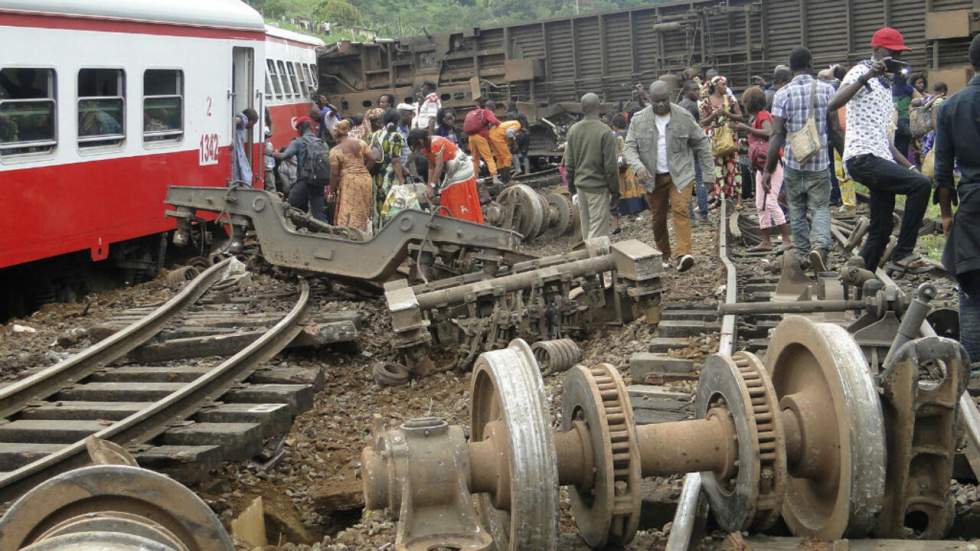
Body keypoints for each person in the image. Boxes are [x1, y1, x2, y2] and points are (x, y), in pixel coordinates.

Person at [829, 27, 932, 273]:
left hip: (879, 156)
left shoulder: (887, 88)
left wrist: (911, 166)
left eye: (899, 54)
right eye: (891, 53)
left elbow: (885, 141)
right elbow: (833, 104)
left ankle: (863, 275)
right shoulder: (860, 71)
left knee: (882, 227)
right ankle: (904, 253)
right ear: (877, 51)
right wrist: (867, 76)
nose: (896, 59)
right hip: (863, 157)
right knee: (921, 186)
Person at [624, 81, 714, 272]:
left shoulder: (683, 116)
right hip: (652, 177)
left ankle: (684, 254)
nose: (661, 105)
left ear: (670, 97)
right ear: (650, 99)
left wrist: (709, 174)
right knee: (658, 217)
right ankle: (664, 254)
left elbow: (701, 144)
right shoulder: (639, 120)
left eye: (664, 100)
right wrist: (638, 166)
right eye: (656, 101)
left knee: (681, 209)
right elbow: (629, 147)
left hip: (680, 174)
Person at [763, 47, 837, 271]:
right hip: (820, 161)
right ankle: (820, 247)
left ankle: (804, 254)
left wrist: (768, 169)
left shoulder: (782, 94)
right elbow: (835, 130)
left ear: (790, 67)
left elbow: (776, 135)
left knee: (796, 207)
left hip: (794, 163)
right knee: (820, 207)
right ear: (811, 63)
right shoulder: (827, 90)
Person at [934, 33, 980, 365]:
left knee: (972, 287)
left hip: (973, 205)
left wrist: (947, 214)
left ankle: (974, 369)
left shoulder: (951, 107)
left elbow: (942, 169)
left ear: (970, 65)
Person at [732, 86, 792, 251]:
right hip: (761, 165)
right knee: (760, 203)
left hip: (772, 163)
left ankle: (787, 239)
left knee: (771, 202)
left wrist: (746, 129)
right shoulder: (756, 117)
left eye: (745, 102)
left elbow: (769, 133)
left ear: (750, 103)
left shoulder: (763, 115)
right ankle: (765, 241)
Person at [564, 93, 620, 242]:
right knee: (598, 235)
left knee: (587, 229)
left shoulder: (573, 130)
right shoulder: (605, 131)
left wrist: (571, 189)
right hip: (598, 189)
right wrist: (615, 191)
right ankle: (594, 263)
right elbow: (611, 167)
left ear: (582, 108)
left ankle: (589, 259)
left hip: (581, 187)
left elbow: (569, 165)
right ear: (599, 107)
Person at [407, 129, 484, 224]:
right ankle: (452, 222)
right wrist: (429, 186)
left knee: (453, 195)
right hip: (453, 170)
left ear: (420, 141)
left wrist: (433, 186)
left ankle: (464, 222)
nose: (416, 150)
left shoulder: (435, 144)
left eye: (416, 146)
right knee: (445, 194)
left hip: (462, 169)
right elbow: (431, 167)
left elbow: (439, 167)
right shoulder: (426, 147)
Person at [273, 117, 328, 222]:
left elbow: (284, 156)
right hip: (319, 181)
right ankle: (327, 233)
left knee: (287, 206)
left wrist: (271, 153)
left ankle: (277, 230)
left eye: (298, 128)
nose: (297, 131)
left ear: (301, 128)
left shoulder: (298, 142)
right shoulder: (322, 142)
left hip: (305, 180)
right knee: (318, 212)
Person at [699, 75, 744, 203]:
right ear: (715, 86)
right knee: (718, 167)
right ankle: (722, 199)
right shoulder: (706, 102)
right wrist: (714, 115)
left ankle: (737, 199)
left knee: (734, 166)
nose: (726, 87)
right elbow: (702, 122)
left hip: (730, 137)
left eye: (726, 84)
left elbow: (740, 117)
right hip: (716, 139)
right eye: (723, 84)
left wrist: (725, 114)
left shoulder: (730, 99)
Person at [329, 119, 375, 232]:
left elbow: (334, 174)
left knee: (348, 211)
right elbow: (373, 159)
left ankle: (350, 236)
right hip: (365, 179)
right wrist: (363, 170)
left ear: (336, 134)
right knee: (362, 209)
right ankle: (363, 233)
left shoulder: (335, 151)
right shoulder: (361, 142)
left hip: (350, 182)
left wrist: (331, 191)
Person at [678, 80, 709, 222]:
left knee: (686, 182)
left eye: (698, 89)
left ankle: (690, 216)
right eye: (694, 90)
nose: (697, 92)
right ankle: (703, 213)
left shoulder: (679, 105)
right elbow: (694, 129)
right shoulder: (691, 106)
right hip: (693, 148)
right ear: (686, 91)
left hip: (683, 149)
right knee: (700, 180)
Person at [463, 99, 502, 184]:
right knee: (488, 157)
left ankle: (474, 178)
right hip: (480, 137)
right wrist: (501, 125)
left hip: (471, 137)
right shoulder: (487, 112)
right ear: (493, 107)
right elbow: (494, 121)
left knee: (475, 158)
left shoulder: (476, 112)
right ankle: (495, 177)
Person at [232, 108, 258, 186]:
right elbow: (237, 120)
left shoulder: (240, 127)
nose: (252, 126)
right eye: (253, 123)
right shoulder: (244, 119)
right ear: (250, 120)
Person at [263, 126, 277, 193]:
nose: (267, 138)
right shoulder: (265, 144)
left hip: (269, 166)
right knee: (271, 187)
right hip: (267, 167)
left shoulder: (268, 143)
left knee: (271, 185)